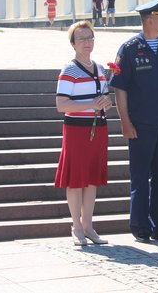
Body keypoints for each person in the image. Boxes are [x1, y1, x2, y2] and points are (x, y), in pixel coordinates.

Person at [110, 0, 158, 243]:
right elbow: (120, 88)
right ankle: (141, 226)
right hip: (140, 124)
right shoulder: (130, 49)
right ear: (150, 20)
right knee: (141, 176)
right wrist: (125, 121)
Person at [54, 20, 112, 246]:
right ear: (73, 43)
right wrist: (91, 104)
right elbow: (61, 104)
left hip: (98, 128)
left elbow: (103, 99)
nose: (87, 43)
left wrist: (106, 102)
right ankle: (76, 226)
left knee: (92, 179)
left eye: (90, 38)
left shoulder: (99, 68)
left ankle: (88, 225)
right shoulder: (69, 70)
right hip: (77, 130)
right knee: (76, 179)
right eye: (82, 39)